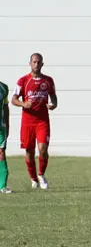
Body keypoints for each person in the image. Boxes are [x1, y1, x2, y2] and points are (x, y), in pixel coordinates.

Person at [11, 53, 57, 190]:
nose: (36, 64)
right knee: (29, 151)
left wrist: (53, 104)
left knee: (43, 149)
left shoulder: (48, 81)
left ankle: (41, 174)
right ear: (30, 63)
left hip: (42, 121)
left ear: (42, 64)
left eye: (39, 62)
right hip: (27, 122)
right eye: (34, 62)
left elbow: (54, 97)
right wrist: (23, 104)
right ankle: (33, 179)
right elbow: (13, 99)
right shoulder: (23, 81)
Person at [0, 80, 10, 193]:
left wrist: (7, 124)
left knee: (1, 151)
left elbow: (6, 107)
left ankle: (2, 186)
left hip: (0, 126)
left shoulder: (4, 87)